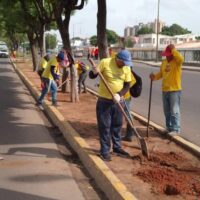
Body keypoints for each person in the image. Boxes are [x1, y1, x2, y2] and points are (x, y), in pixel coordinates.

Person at [89, 49, 132, 161]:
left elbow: (127, 85)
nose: (125, 65)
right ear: (118, 59)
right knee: (105, 127)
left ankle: (117, 147)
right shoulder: (105, 62)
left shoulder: (126, 68)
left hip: (118, 102)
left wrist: (119, 94)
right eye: (124, 63)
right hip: (104, 102)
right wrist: (93, 72)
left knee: (117, 126)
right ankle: (105, 150)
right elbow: (92, 76)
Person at [149, 44, 184, 135]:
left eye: (169, 54)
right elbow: (161, 74)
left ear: (172, 54)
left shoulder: (177, 62)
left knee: (174, 110)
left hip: (174, 90)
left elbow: (181, 58)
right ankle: (169, 128)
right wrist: (154, 77)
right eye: (166, 55)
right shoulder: (164, 62)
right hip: (165, 89)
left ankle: (176, 129)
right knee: (167, 111)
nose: (167, 56)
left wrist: (173, 50)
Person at [122, 67, 136, 142]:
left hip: (125, 97)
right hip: (115, 96)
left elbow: (133, 81)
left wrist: (123, 89)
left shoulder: (125, 68)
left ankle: (129, 134)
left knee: (127, 115)